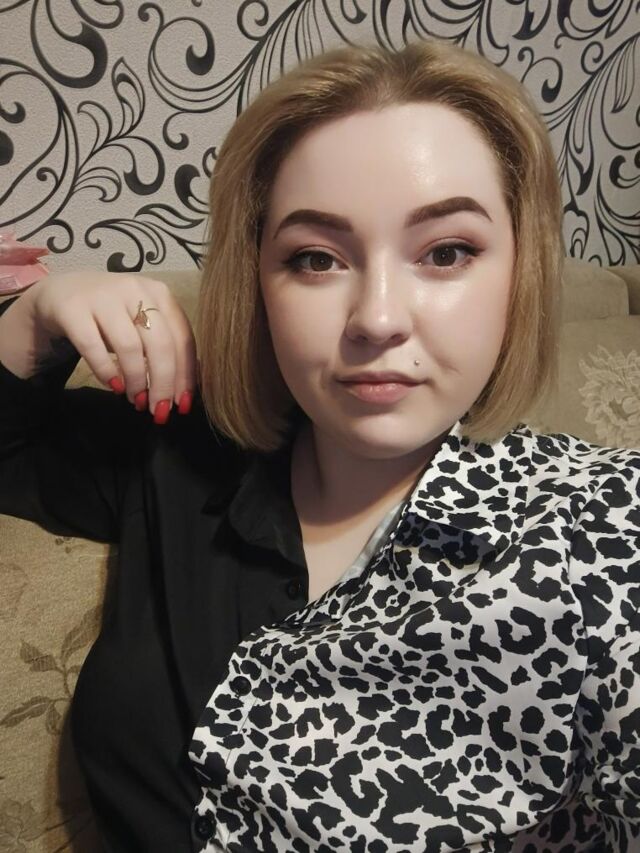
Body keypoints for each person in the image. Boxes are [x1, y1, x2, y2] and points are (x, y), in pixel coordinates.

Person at [0, 36, 638, 853]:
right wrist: (36, 316)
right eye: (315, 258)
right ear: (257, 281)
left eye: (446, 252)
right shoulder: (177, 455)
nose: (377, 318)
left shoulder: (596, 526)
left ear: (521, 270)